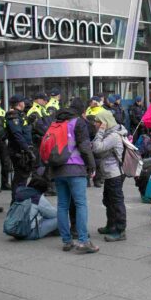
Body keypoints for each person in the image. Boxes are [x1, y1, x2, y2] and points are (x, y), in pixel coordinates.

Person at [49, 98, 98, 253]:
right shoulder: (78, 122)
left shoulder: (58, 120)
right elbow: (84, 147)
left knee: (62, 205)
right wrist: (92, 165)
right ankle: (83, 241)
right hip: (75, 168)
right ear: (82, 110)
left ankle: (67, 241)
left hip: (58, 168)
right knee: (80, 204)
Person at [91, 111, 128, 241]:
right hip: (109, 173)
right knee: (108, 200)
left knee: (116, 202)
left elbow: (97, 148)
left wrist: (100, 131)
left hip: (114, 174)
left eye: (97, 122)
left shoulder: (113, 136)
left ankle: (120, 230)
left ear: (104, 123)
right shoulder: (111, 134)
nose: (95, 124)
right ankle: (111, 225)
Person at [6, 95, 33, 189]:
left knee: (23, 177)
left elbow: (23, 129)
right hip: (19, 151)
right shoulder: (14, 116)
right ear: (20, 103)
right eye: (23, 102)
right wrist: (27, 149)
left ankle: (19, 201)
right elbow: (17, 134)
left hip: (23, 150)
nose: (24, 104)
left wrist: (29, 122)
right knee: (20, 178)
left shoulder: (20, 114)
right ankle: (17, 202)